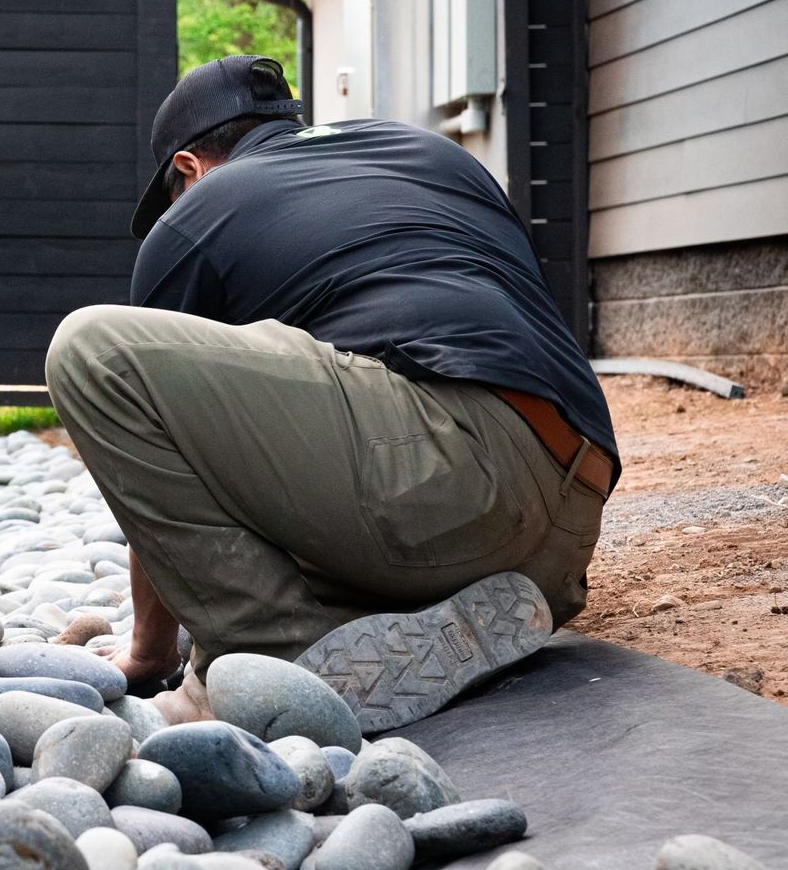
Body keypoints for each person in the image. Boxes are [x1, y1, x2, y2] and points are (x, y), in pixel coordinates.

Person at [47, 55, 617, 734]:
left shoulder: (197, 217)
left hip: (443, 480)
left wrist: (150, 648)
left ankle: (272, 651)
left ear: (189, 168)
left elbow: (165, 442)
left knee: (91, 350)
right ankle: (396, 619)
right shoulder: (434, 156)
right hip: (569, 518)